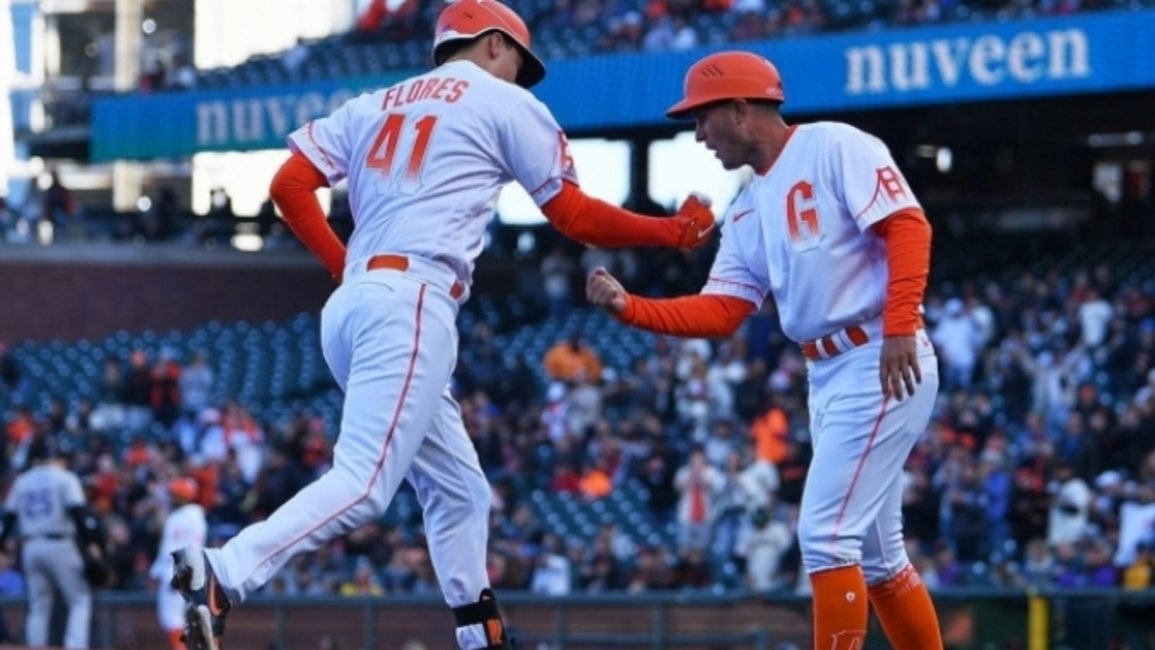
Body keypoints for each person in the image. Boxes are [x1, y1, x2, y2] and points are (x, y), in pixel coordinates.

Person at [170, 2, 716, 650]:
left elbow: (289, 184)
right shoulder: (502, 102)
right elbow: (572, 214)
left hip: (357, 302)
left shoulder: (374, 102)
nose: (521, 74)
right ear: (491, 44)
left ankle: (479, 636)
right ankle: (225, 572)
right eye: (519, 58)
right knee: (366, 486)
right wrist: (670, 232)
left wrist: (346, 267)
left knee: (461, 490)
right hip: (411, 300)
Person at [586, 51, 943, 650]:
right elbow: (724, 309)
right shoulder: (748, 205)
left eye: (702, 117)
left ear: (741, 108)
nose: (697, 134)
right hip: (827, 372)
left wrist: (901, 324)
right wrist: (633, 308)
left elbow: (908, 225)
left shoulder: (834, 145)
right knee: (879, 557)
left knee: (826, 536)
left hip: (878, 352)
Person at [0, 436, 94, 649]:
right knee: (79, 599)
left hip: (31, 546)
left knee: (38, 606)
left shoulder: (22, 480)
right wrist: (91, 545)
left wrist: (2, 545)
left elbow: (8, 519)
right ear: (55, 456)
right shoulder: (65, 478)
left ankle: (36, 646)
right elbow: (78, 513)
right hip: (60, 542)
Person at [151, 478, 207, 650]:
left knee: (173, 619)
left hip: (177, 570)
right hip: (184, 570)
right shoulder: (191, 516)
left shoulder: (185, 517)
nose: (172, 497)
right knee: (182, 620)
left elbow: (184, 549)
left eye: (175, 494)